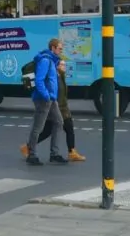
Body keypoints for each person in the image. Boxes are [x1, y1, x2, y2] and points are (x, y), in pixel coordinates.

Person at [22, 58, 85, 162]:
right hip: (59, 109)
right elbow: (58, 96)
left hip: (62, 109)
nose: (64, 67)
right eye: (62, 65)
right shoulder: (56, 78)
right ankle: (70, 152)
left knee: (48, 131)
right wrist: (58, 110)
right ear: (57, 67)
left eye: (65, 65)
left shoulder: (61, 77)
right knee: (67, 129)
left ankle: (28, 147)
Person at [25, 38, 67, 166]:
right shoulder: (45, 60)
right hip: (44, 99)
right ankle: (31, 154)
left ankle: (54, 154)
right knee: (38, 127)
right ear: (53, 48)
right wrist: (46, 96)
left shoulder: (52, 61)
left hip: (51, 98)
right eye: (59, 48)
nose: (61, 51)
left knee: (59, 122)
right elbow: (39, 80)